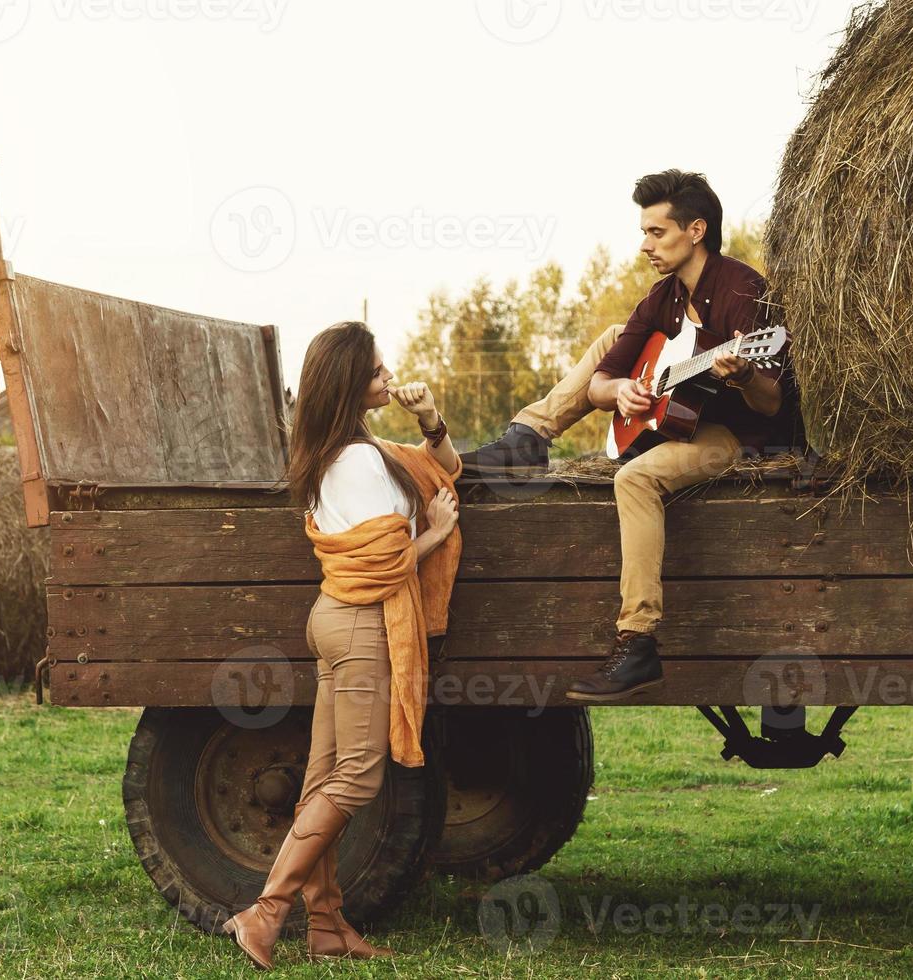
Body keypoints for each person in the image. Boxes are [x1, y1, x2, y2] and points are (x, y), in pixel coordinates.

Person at [459, 169, 795, 701]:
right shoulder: (664, 297)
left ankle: (637, 642)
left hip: (740, 437)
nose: (645, 245)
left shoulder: (743, 292)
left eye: (656, 233)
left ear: (697, 230)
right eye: (644, 233)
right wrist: (620, 393)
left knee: (634, 479)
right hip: (677, 421)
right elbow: (596, 385)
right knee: (615, 339)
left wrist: (746, 372)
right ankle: (527, 438)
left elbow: (773, 402)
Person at [223, 321, 462, 970]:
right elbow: (387, 566)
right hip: (360, 623)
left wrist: (430, 419)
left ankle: (325, 925)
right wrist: (436, 535)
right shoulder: (357, 462)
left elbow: (443, 469)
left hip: (336, 620)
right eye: (379, 372)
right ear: (351, 383)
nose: (389, 378)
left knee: (322, 780)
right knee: (357, 777)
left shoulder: (352, 450)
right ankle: (265, 913)